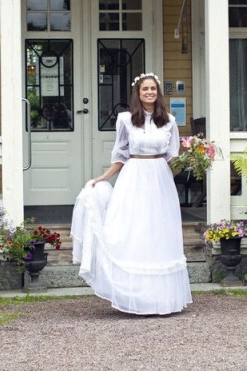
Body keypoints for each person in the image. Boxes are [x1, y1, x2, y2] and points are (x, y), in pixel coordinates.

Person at [70, 72, 192, 315]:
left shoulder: (168, 120)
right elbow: (120, 155)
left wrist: (195, 160)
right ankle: (133, 295)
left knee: (159, 232)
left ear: (158, 93)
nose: (149, 92)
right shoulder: (125, 120)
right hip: (134, 176)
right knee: (132, 230)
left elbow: (172, 156)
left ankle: (160, 298)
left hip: (160, 178)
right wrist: (104, 177)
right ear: (138, 93)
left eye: (153, 89)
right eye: (145, 89)